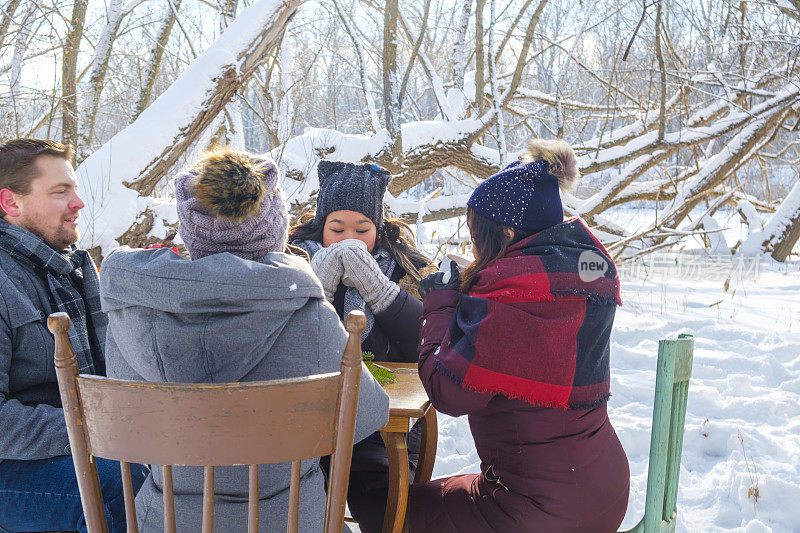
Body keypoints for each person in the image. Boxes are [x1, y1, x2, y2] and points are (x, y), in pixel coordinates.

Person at [99, 148, 389, 531]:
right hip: (286, 520)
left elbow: (127, 426)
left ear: (190, 228)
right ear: (274, 230)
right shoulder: (308, 313)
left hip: (168, 519)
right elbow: (366, 415)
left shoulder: (130, 310)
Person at [408, 139, 630, 532]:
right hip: (605, 492)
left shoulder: (508, 297)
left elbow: (448, 392)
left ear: (506, 234)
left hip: (536, 511)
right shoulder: (583, 274)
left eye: (477, 236)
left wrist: (441, 303)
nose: (474, 248)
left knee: (400, 510)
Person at [0, 138, 147, 532]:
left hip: (82, 443)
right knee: (120, 483)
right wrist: (94, 429)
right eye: (60, 192)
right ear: (11, 203)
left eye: (76, 190)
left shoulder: (72, 270)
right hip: (13, 464)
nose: (78, 203)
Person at [289, 160, 436, 532]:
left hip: (383, 427)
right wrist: (316, 286)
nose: (348, 239)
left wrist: (379, 290)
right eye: (336, 229)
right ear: (320, 226)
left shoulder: (406, 267)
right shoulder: (290, 263)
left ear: (379, 227)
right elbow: (282, 340)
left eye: (362, 229)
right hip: (306, 424)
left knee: (386, 510)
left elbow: (427, 337)